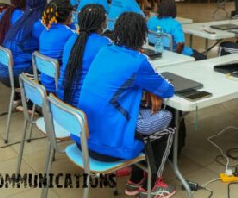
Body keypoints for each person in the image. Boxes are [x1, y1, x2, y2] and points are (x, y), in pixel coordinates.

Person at [75, 12, 176, 198]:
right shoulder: (137, 61)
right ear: (142, 36)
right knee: (169, 118)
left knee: (142, 114)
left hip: (85, 139)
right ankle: (151, 184)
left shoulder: (105, 50)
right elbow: (167, 91)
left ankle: (134, 180)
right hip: (108, 147)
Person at [58, 4, 110, 107]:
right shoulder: (104, 45)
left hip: (62, 102)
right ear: (102, 24)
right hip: (86, 107)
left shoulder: (71, 40)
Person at [0, 0, 46, 88]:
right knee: (53, 71)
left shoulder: (21, 20)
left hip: (2, 70)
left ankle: (27, 99)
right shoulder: (37, 25)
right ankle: (37, 99)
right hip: (16, 74)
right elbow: (48, 47)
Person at [39, 0, 75, 94]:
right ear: (70, 15)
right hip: (57, 86)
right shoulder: (70, 35)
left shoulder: (45, 31)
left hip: (45, 83)